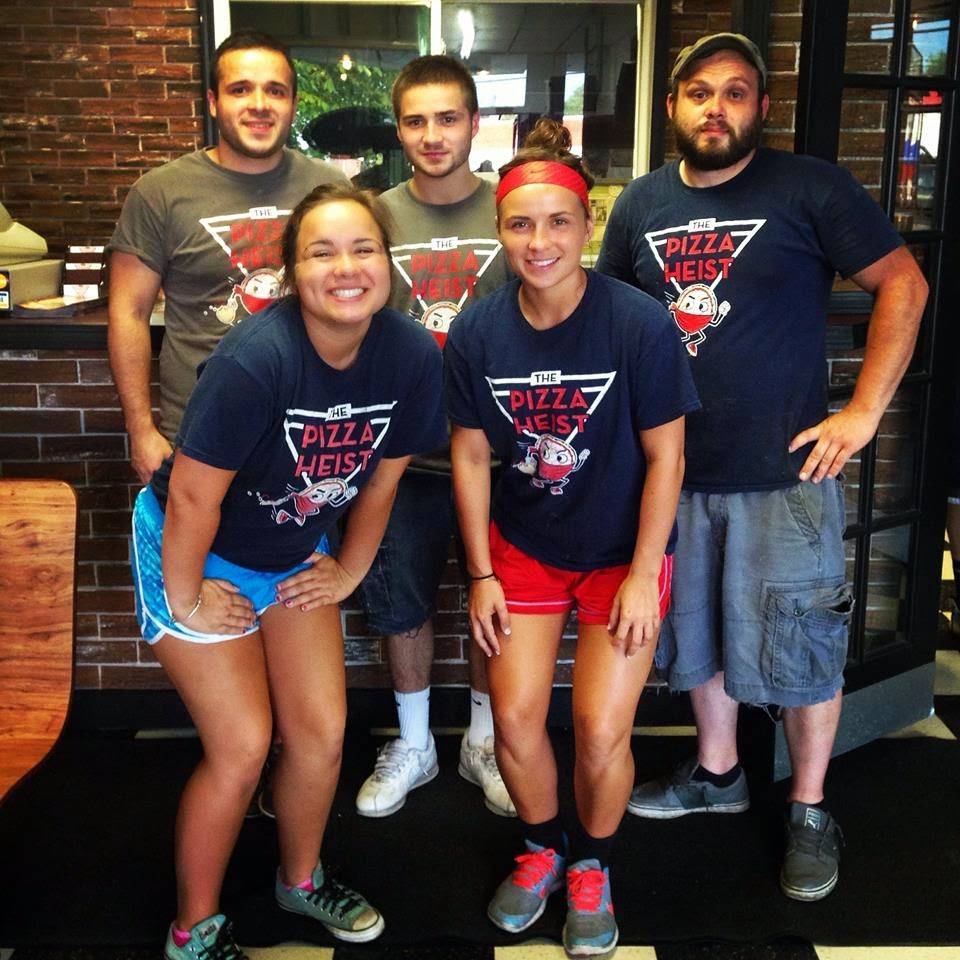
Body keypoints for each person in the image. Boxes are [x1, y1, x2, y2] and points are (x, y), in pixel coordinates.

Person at [596, 32, 928, 901]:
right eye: (700, 91)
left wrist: (864, 412)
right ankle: (718, 773)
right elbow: (608, 320)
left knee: (803, 644)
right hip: (672, 475)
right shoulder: (640, 204)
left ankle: (809, 806)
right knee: (694, 635)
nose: (717, 108)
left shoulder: (810, 187)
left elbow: (904, 283)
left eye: (736, 92)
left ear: (762, 107)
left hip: (787, 478)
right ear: (673, 105)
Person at [131, 182, 447, 959]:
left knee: (320, 735)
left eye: (363, 248)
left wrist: (348, 570)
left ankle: (299, 881)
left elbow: (382, 481)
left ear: (390, 262)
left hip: (288, 550)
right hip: (193, 546)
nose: (345, 267)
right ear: (291, 273)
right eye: (321, 252)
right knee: (243, 747)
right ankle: (193, 930)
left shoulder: (410, 354)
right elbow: (193, 498)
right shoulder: (256, 359)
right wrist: (186, 596)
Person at [446, 119, 699, 959]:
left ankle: (592, 864)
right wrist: (480, 573)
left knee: (597, 730)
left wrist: (645, 572)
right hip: (523, 548)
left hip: (622, 555)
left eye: (558, 222)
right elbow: (470, 454)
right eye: (521, 223)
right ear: (499, 229)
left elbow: (667, 456)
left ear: (587, 224)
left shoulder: (638, 322)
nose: (540, 241)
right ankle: (542, 849)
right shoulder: (478, 330)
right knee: (515, 721)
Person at [354, 55, 514, 819]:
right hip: (405, 455)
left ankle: (483, 741)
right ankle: (416, 744)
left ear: (474, 123)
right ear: (399, 130)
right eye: (416, 121)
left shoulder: (512, 210)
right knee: (402, 603)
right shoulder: (373, 217)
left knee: (496, 605)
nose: (432, 135)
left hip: (499, 455)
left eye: (448, 118)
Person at [108, 30, 346, 485]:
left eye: (275, 91)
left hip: (311, 432)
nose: (259, 104)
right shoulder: (160, 192)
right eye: (241, 89)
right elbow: (129, 313)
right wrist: (141, 430)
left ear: (293, 104)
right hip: (200, 434)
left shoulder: (330, 188)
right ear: (214, 103)